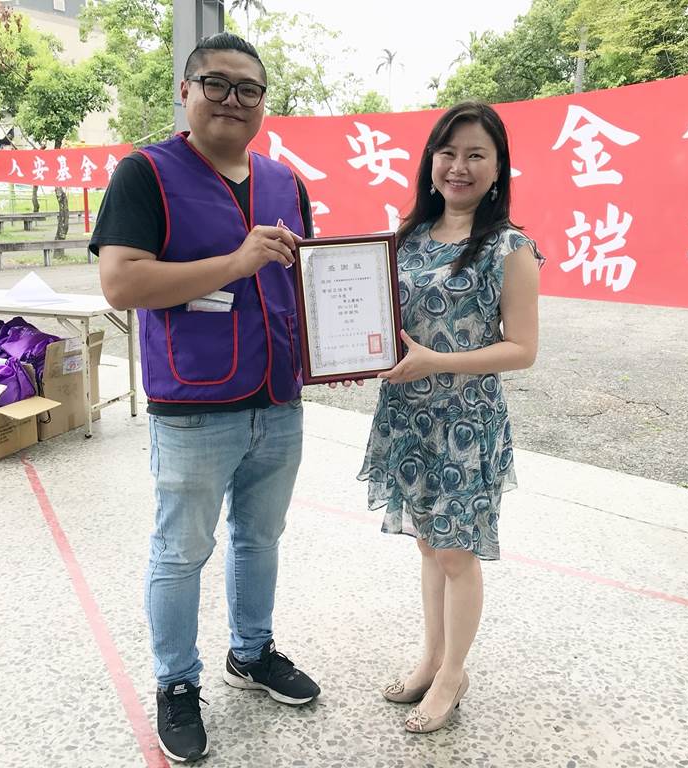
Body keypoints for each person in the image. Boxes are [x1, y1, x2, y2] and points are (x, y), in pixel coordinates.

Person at [94, 33, 320, 763]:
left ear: (263, 103)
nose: (232, 99)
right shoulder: (146, 174)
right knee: (181, 550)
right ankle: (176, 681)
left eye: (248, 89)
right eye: (216, 84)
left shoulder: (285, 182)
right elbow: (122, 283)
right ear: (186, 92)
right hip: (193, 405)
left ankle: (251, 653)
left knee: (261, 538)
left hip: (278, 399)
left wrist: (346, 349)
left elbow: (307, 283)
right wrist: (235, 261)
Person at [358, 102, 542, 733]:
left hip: (464, 421)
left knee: (457, 554)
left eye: (475, 155)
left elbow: (523, 349)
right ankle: (432, 658)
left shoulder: (509, 247)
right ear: (431, 162)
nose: (459, 166)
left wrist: (438, 361)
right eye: (448, 153)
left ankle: (452, 674)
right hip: (408, 416)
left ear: (498, 168)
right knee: (429, 545)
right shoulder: (405, 238)